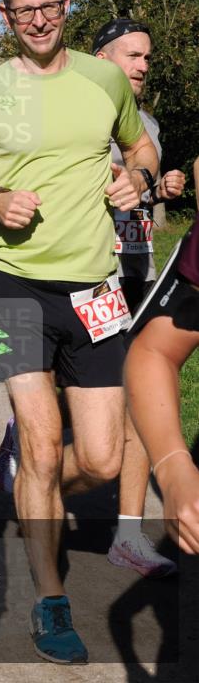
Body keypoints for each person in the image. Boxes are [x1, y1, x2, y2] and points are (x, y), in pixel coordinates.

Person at [0, 0, 159, 664]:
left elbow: (143, 143)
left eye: (49, 7)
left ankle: (31, 489)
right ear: (3, 16)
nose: (38, 21)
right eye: (23, 10)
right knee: (41, 442)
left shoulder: (103, 79)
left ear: (66, 5)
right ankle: (50, 598)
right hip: (14, 286)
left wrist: (137, 176)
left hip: (96, 288)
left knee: (98, 459)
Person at [93, 19, 186, 576]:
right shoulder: (79, 113)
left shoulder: (145, 122)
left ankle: (127, 534)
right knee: (84, 413)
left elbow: (141, 188)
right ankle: (27, 444)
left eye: (148, 57)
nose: (143, 65)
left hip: (139, 274)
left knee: (138, 401)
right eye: (132, 55)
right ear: (102, 57)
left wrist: (164, 183)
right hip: (88, 276)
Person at [124, 204, 199, 553]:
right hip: (89, 272)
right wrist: (173, 467)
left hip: (139, 265)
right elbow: (155, 351)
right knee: (98, 452)